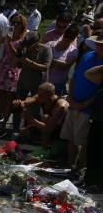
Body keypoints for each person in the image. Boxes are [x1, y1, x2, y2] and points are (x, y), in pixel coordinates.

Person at [60, 34, 103, 175]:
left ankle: (79, 170)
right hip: (74, 103)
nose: (99, 47)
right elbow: (75, 78)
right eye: (98, 44)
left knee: (84, 142)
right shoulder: (88, 56)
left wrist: (85, 103)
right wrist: (71, 97)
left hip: (88, 108)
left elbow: (99, 91)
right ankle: (70, 166)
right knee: (71, 139)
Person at [0, 12, 26, 134]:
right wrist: (2, 38)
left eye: (18, 22)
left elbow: (20, 55)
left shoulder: (24, 38)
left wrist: (9, 43)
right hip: (2, 67)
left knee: (9, 97)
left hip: (13, 69)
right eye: (13, 22)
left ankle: (3, 123)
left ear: (23, 24)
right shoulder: (8, 34)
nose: (15, 24)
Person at [10, 31, 53, 133]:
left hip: (38, 84)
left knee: (35, 108)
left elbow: (45, 68)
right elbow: (13, 65)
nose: (28, 48)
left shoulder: (46, 50)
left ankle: (32, 130)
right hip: (23, 81)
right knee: (18, 105)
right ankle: (15, 129)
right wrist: (18, 53)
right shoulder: (24, 49)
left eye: (30, 46)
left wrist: (29, 62)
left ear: (37, 44)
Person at [14, 82, 68, 150]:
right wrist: (20, 103)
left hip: (61, 131)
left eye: (42, 95)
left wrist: (30, 118)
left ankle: (45, 148)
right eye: (39, 94)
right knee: (24, 132)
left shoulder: (61, 106)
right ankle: (51, 141)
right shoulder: (41, 96)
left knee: (45, 117)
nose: (39, 97)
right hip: (50, 128)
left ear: (52, 94)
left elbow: (48, 128)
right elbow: (27, 102)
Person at [47, 25, 79, 96]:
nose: (68, 38)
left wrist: (51, 60)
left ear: (74, 38)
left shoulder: (74, 51)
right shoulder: (50, 44)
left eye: (71, 37)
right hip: (44, 80)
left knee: (53, 103)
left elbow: (66, 65)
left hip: (58, 83)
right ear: (64, 34)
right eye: (67, 35)